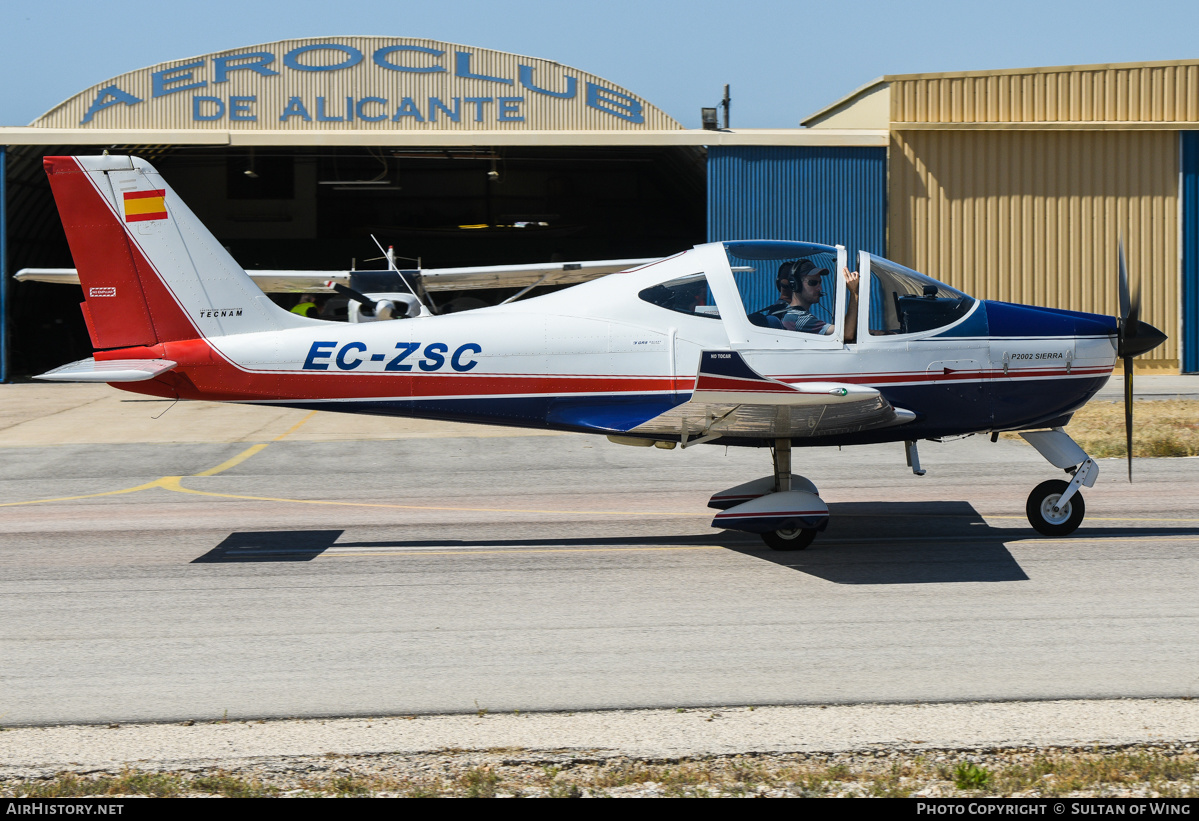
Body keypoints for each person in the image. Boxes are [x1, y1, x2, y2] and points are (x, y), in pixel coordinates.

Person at [782, 265, 859, 342]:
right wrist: (854, 293)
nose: (820, 288)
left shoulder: (787, 313)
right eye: (813, 283)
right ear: (795, 285)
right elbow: (846, 333)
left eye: (820, 282)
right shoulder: (799, 318)